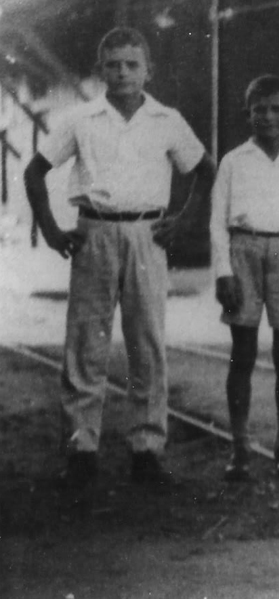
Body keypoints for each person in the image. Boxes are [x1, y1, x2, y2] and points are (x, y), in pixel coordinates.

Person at [24, 26, 216, 488]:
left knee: (146, 342)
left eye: (132, 64)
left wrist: (184, 222)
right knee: (86, 342)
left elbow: (205, 169)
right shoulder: (81, 119)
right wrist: (51, 229)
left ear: (148, 70)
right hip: (94, 233)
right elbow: (36, 171)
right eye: (113, 64)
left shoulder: (166, 119)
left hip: (148, 234)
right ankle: (81, 450)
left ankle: (147, 450)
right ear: (100, 69)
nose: (123, 73)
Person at [210, 75, 279, 482]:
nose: (268, 117)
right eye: (260, 109)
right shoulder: (234, 161)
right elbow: (217, 222)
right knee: (242, 352)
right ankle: (240, 447)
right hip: (244, 250)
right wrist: (223, 272)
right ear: (247, 113)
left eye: (277, 109)